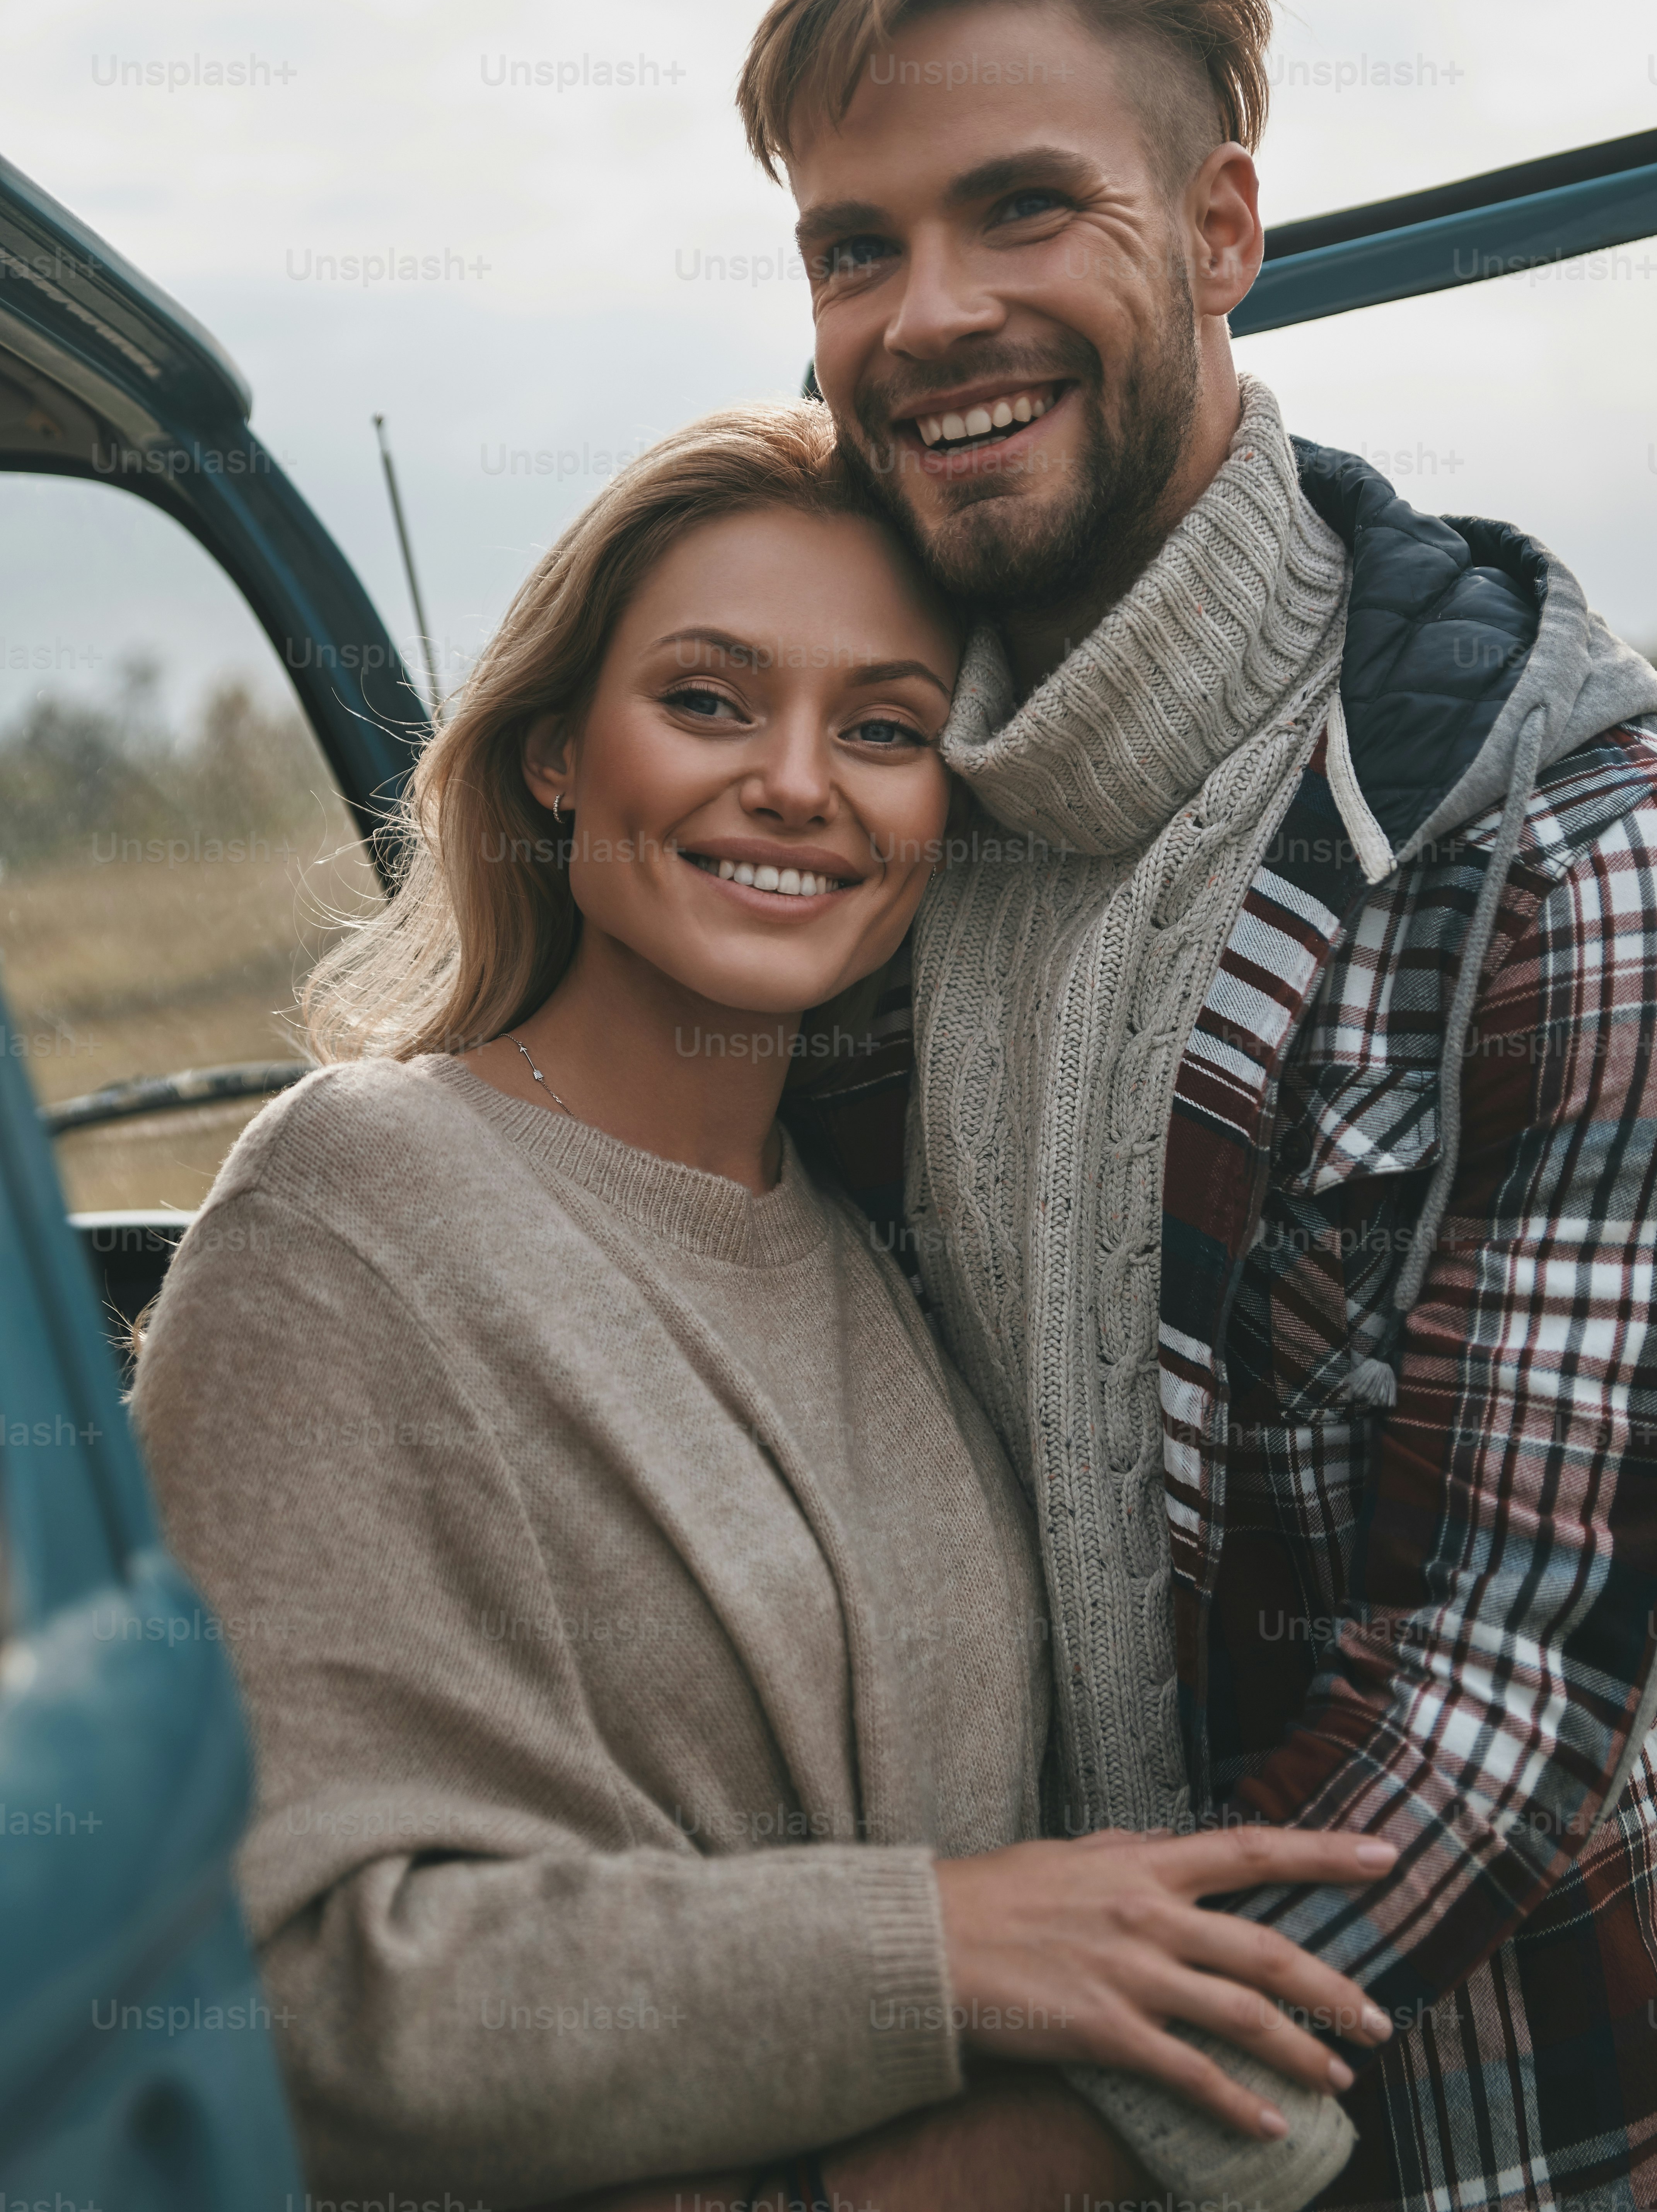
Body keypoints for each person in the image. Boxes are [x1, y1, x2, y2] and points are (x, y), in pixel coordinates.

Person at [735, 0, 1657, 2210]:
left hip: (1476, 2142)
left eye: (1019, 209)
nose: (927, 314)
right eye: (850, 246)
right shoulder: (853, 831)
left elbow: (1482, 1710)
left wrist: (948, 2169)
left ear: (1217, 227)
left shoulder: (1579, 857)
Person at [131, 402, 1401, 2212]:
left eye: (884, 729)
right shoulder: (350, 1202)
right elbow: (292, 1997)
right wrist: (939, 1947)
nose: (798, 781)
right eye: (711, 700)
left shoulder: (875, 1245)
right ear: (560, 751)